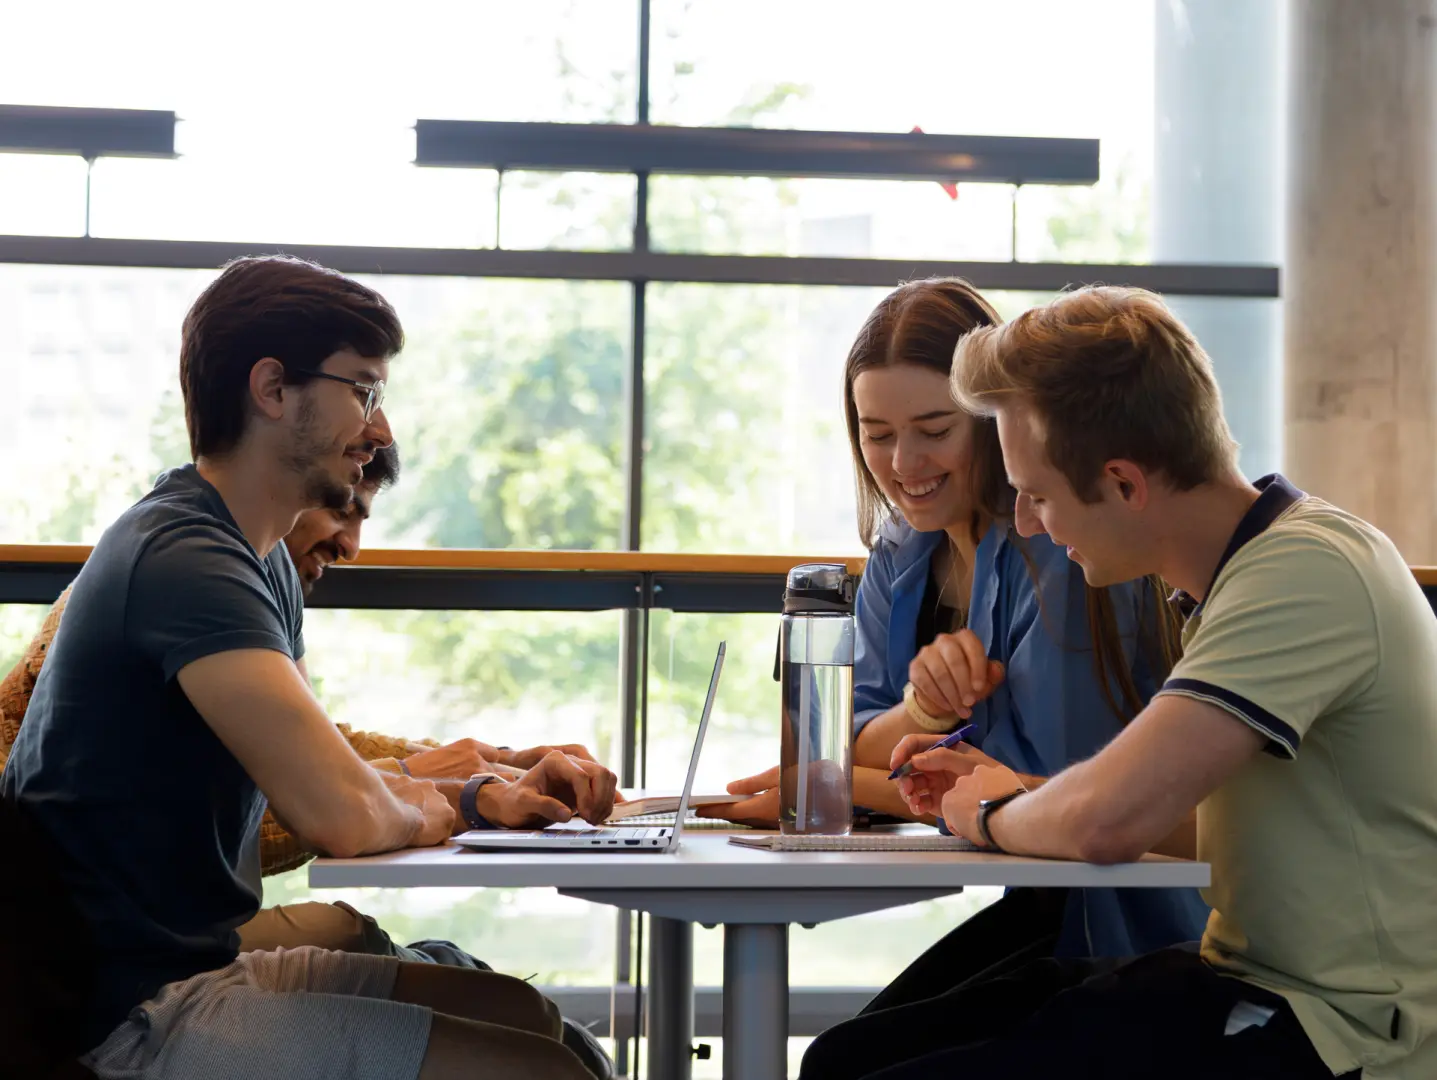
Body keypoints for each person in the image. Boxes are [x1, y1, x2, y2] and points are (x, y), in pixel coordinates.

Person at [802, 285, 1437, 1079]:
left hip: (1344, 1024)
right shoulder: (1237, 579)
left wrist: (990, 807)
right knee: (845, 1058)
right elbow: (1196, 822)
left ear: (1125, 483)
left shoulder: (1303, 574)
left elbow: (1106, 822)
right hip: (1236, 974)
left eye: (1036, 496)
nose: (1025, 524)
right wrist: (1016, 790)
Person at [1, 255, 611, 1080]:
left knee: (525, 1015)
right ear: (272, 389)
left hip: (193, 970)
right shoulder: (183, 556)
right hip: (125, 1014)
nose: (380, 428)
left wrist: (467, 793)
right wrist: (430, 802)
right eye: (363, 390)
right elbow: (343, 814)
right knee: (546, 1072)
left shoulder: (262, 559)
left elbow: (331, 768)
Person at [705, 279, 1207, 986]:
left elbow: (1058, 792)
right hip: (1046, 904)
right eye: (875, 435)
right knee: (846, 1054)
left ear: (993, 421)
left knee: (849, 1059)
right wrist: (921, 715)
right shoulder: (900, 552)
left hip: (1133, 918)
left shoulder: (1068, 556)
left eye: (934, 431)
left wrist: (846, 787)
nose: (903, 466)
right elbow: (847, 741)